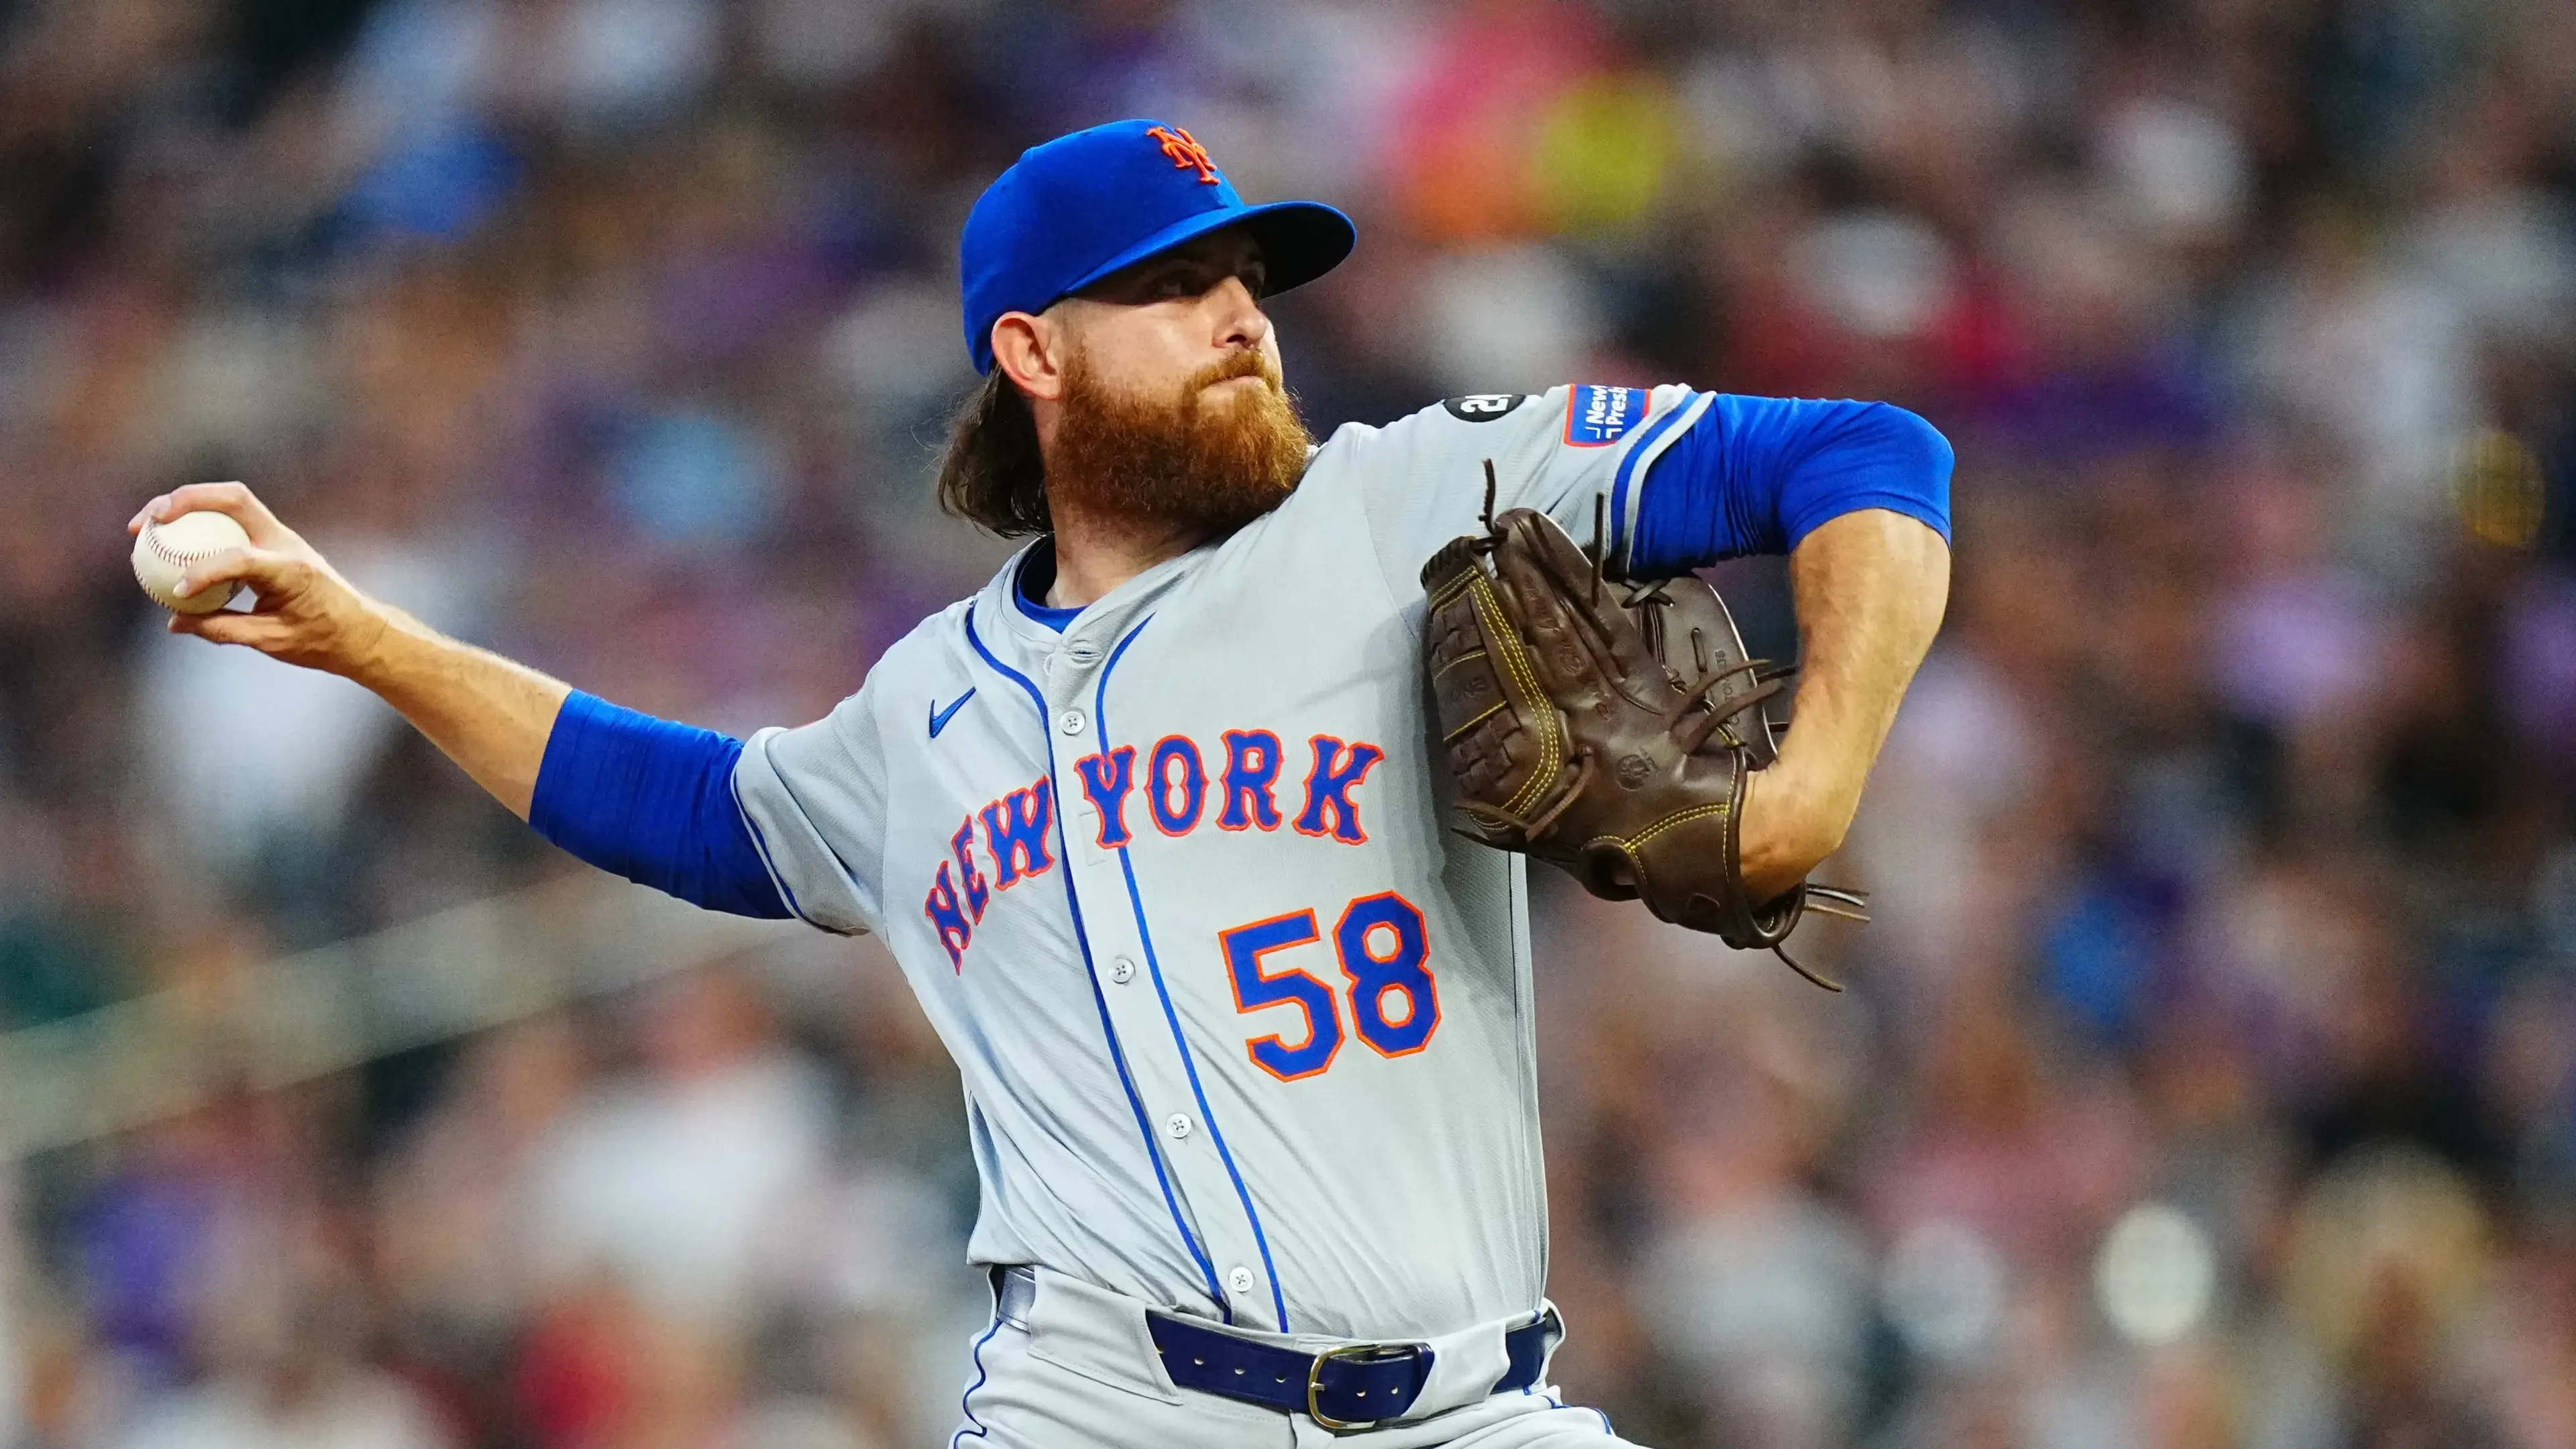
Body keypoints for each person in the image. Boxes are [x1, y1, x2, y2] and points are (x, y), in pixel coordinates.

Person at [131, 119, 1952, 1447]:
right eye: (1176, 288)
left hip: (1481, 1407)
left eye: (1250, 278)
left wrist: (1810, 780)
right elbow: (689, 811)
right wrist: (364, 636)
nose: (1244, 315)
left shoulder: (1400, 503)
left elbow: (1871, 450)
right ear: (1034, 353)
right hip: (1112, 1407)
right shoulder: (927, 708)